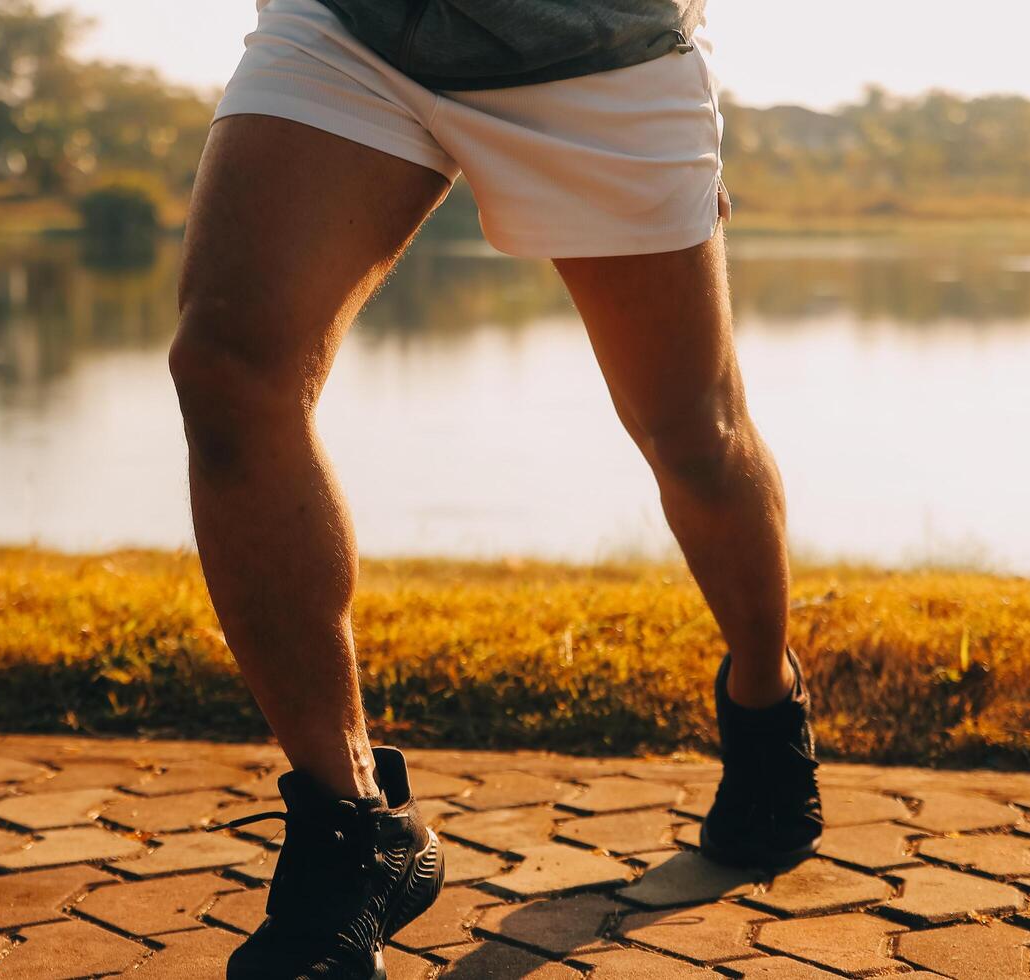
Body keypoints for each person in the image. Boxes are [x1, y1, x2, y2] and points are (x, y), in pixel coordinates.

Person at [170, 1, 823, 976]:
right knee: (225, 370)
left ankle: (767, 708)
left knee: (693, 432)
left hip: (595, 49)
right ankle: (352, 826)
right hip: (355, 29)